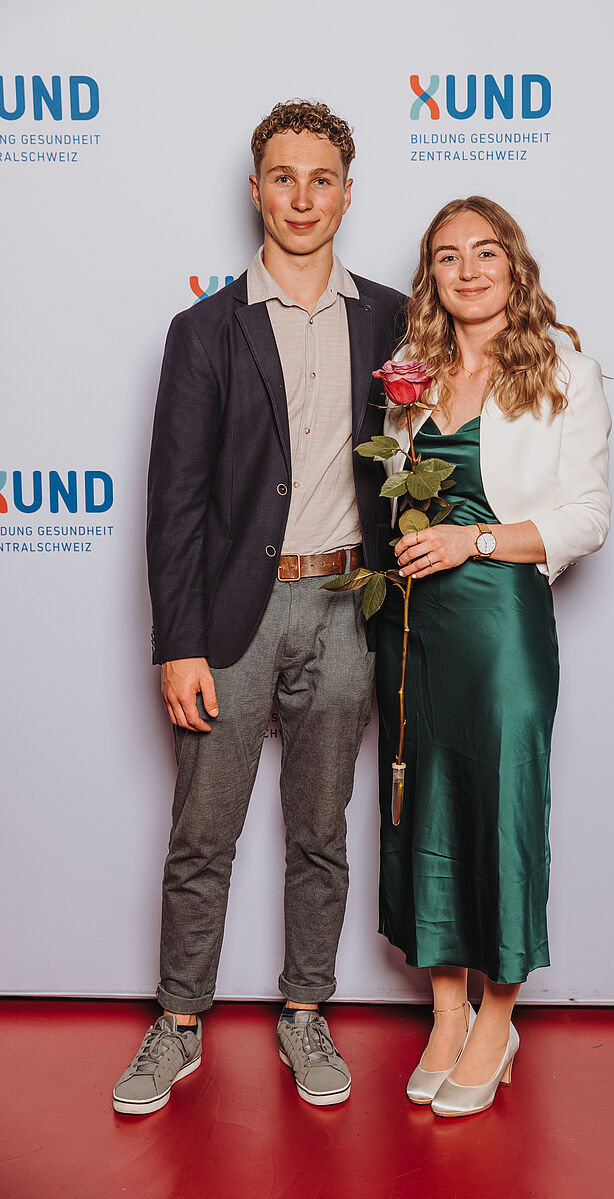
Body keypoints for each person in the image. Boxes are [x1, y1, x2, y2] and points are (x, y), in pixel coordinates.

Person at [112, 100, 405, 1114]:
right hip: (233, 614)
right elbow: (176, 502)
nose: (302, 198)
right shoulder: (203, 330)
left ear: (347, 194)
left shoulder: (393, 319)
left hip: (346, 605)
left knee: (321, 829)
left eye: (321, 179)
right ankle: (179, 1020)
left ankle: (305, 1009)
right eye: (283, 177)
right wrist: (178, 642)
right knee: (203, 833)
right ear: (255, 189)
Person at [376, 196, 611, 1117]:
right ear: (430, 274)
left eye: (485, 252)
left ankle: (498, 1017)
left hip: (503, 619)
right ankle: (446, 1012)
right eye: (447, 256)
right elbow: (393, 490)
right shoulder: (410, 370)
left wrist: (471, 542)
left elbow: (587, 517)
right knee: (425, 805)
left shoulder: (564, 370)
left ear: (514, 263)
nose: (467, 271)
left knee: (504, 803)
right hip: (417, 621)